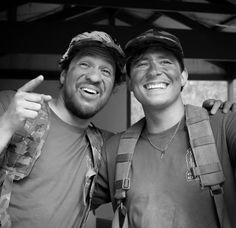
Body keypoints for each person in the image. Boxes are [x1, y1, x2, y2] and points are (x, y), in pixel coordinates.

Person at [92, 28, 236, 228]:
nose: (153, 71)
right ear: (130, 83)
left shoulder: (222, 124)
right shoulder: (113, 151)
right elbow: (60, 201)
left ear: (184, 76)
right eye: (142, 64)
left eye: (166, 62)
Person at [0, 30, 125, 228]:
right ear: (64, 75)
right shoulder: (10, 105)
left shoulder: (105, 147)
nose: (94, 76)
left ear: (111, 90)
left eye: (106, 71)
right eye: (85, 64)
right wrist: (5, 127)